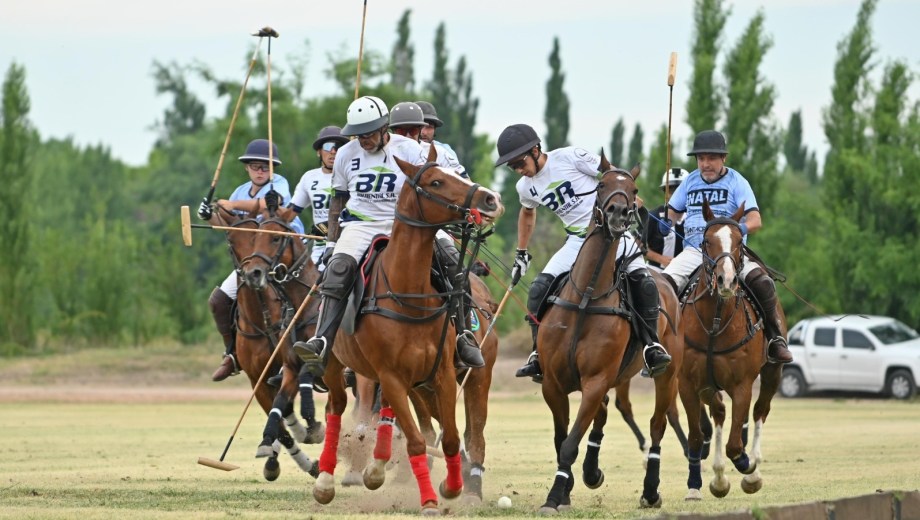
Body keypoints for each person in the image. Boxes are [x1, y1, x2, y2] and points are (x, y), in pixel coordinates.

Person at [292, 96, 485, 376]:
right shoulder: (347, 154)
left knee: (454, 264)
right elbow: (338, 200)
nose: (363, 139)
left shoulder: (410, 149)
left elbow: (436, 187)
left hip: (410, 223)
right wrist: (333, 242)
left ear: (384, 127)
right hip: (362, 224)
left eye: (368, 133)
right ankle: (322, 342)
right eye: (358, 134)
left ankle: (463, 336)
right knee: (337, 270)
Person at [495, 123, 673, 380]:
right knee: (538, 288)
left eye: (519, 163)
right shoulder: (525, 187)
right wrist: (522, 252)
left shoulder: (569, 157)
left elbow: (612, 175)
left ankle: (651, 345)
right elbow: (527, 212)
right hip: (577, 242)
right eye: (512, 167)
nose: (518, 170)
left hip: (614, 235)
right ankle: (537, 353)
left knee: (644, 284)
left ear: (535, 150)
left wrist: (630, 201)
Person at [660, 129, 793, 364]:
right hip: (695, 251)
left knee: (763, 283)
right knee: (661, 287)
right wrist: (667, 221)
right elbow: (672, 211)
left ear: (723, 158)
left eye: (711, 158)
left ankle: (775, 340)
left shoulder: (737, 182)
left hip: (731, 253)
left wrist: (740, 230)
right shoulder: (690, 181)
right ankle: (657, 344)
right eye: (701, 159)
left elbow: (755, 220)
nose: (706, 164)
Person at [197, 138, 303, 381]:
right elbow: (228, 228)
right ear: (247, 167)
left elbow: (266, 206)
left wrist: (231, 204)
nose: (260, 171)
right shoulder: (240, 191)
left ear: (273, 169)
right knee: (219, 301)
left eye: (265, 166)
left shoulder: (279, 185)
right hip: (253, 263)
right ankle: (232, 353)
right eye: (255, 166)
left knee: (300, 304)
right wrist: (210, 215)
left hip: (283, 259)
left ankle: (309, 351)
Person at [290, 125, 350, 270]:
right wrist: (274, 207)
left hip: (348, 244)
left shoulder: (352, 175)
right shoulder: (309, 178)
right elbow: (289, 213)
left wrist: (327, 227)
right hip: (319, 250)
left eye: (339, 146)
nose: (333, 151)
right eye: (328, 146)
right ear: (318, 152)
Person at [641, 168, 689, 272]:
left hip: (685, 274)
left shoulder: (694, 218)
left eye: (680, 190)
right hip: (655, 271)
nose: (676, 195)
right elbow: (638, 244)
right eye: (671, 190)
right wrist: (661, 259)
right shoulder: (654, 216)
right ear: (665, 192)